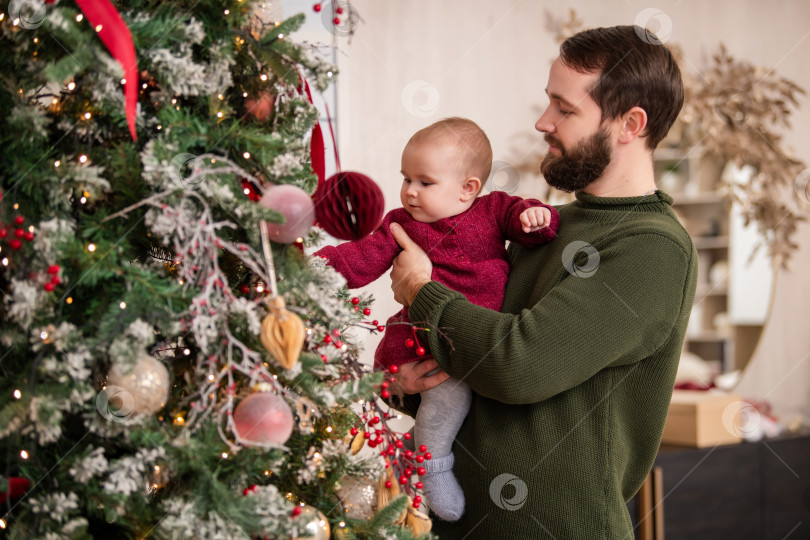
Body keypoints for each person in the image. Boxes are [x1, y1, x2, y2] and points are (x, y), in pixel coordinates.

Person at [387, 25, 697, 538]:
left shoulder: (653, 247)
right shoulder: (550, 226)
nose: (543, 121)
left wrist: (421, 290)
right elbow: (475, 365)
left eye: (564, 109)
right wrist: (405, 387)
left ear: (630, 124)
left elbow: (518, 365)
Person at [314, 117, 559, 521]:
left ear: (469, 189)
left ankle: (409, 454)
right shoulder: (401, 223)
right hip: (425, 340)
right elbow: (360, 257)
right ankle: (434, 466)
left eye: (425, 182)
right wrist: (318, 270)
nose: (410, 191)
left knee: (461, 404)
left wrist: (536, 217)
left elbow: (526, 221)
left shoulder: (493, 209)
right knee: (450, 396)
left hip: (469, 336)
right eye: (406, 178)